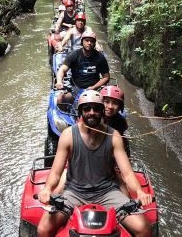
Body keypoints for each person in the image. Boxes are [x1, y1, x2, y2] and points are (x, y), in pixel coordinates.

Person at [37, 90, 152, 237]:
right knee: (43, 229)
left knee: (143, 228)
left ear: (102, 111)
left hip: (108, 193)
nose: (92, 112)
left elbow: (128, 173)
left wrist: (140, 192)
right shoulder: (68, 135)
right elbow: (56, 172)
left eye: (96, 109)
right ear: (80, 111)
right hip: (74, 192)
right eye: (87, 109)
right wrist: (47, 189)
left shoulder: (114, 136)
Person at [56, 31, 109, 104]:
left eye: (92, 41)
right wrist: (59, 82)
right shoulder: (74, 55)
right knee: (60, 99)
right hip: (75, 89)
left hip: (94, 90)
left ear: (94, 43)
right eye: (87, 41)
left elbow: (106, 77)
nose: (89, 43)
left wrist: (94, 87)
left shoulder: (100, 57)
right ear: (82, 42)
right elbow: (62, 69)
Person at [101, 85, 130, 157]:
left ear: (120, 107)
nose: (110, 106)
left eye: (115, 103)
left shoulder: (121, 121)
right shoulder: (94, 117)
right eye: (106, 102)